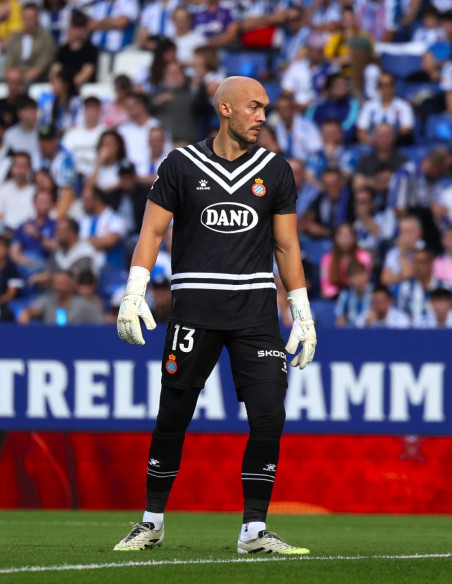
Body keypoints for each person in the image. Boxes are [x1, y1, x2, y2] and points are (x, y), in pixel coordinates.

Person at [114, 76, 316, 554]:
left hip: (255, 314)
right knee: (173, 415)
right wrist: (135, 289)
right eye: (254, 107)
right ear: (225, 109)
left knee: (269, 415)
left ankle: (254, 531)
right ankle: (151, 523)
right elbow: (152, 231)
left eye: (265, 108)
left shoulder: (276, 169)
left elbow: (287, 246)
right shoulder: (181, 164)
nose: (262, 116)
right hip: (194, 309)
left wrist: (302, 311)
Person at [18, 269, 103, 324]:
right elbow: (34, 311)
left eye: (62, 284)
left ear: (71, 286)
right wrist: (27, 313)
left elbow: (101, 322)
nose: (58, 288)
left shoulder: (83, 305)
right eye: (56, 284)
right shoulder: (46, 301)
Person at [4, 2, 55, 84]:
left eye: (31, 18)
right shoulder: (14, 40)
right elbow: (8, 61)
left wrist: (23, 78)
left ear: (37, 19)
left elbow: (42, 65)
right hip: (14, 78)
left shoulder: (46, 40)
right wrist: (11, 75)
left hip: (37, 79)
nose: (28, 21)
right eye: (25, 18)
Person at [320, 222, 372, 299]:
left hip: (359, 296)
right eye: (341, 235)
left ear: (354, 237)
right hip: (335, 297)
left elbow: (364, 282)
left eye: (347, 235)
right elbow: (325, 289)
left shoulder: (365, 257)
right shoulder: (327, 259)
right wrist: (342, 293)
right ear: (335, 238)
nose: (344, 239)